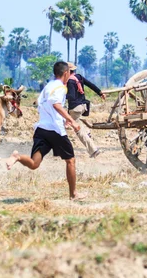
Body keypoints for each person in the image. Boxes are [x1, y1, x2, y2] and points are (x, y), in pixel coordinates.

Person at [6, 61, 87, 201]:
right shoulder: (61, 87)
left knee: (34, 163)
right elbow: (56, 105)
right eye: (70, 73)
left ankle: (17, 157)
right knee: (70, 160)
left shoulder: (48, 86)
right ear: (66, 73)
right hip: (55, 130)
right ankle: (73, 195)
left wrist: (63, 119)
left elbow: (46, 105)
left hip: (41, 129)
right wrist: (71, 120)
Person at [65, 62, 106, 158]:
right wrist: (100, 93)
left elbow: (71, 96)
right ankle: (87, 132)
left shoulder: (70, 81)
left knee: (78, 130)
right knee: (76, 122)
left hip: (75, 108)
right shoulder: (78, 77)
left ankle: (93, 150)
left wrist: (61, 94)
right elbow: (90, 84)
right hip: (83, 106)